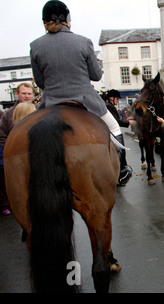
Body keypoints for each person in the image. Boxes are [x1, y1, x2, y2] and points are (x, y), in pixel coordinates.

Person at [30, 0, 132, 185]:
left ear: (44, 21)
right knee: (115, 128)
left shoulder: (35, 45)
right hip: (85, 102)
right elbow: (95, 75)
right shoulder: (83, 41)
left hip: (51, 102)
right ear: (67, 18)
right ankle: (123, 168)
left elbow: (40, 82)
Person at [0, 83, 37, 216]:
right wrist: (11, 149)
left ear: (33, 95)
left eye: (29, 93)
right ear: (17, 94)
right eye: (24, 93)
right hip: (17, 157)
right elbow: (2, 135)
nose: (27, 96)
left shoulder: (41, 110)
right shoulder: (8, 114)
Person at [106, 89, 137, 186]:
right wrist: (129, 122)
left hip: (111, 132)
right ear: (112, 98)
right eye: (117, 99)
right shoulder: (109, 106)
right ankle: (121, 175)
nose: (118, 101)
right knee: (120, 154)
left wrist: (127, 119)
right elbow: (116, 122)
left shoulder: (109, 106)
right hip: (114, 133)